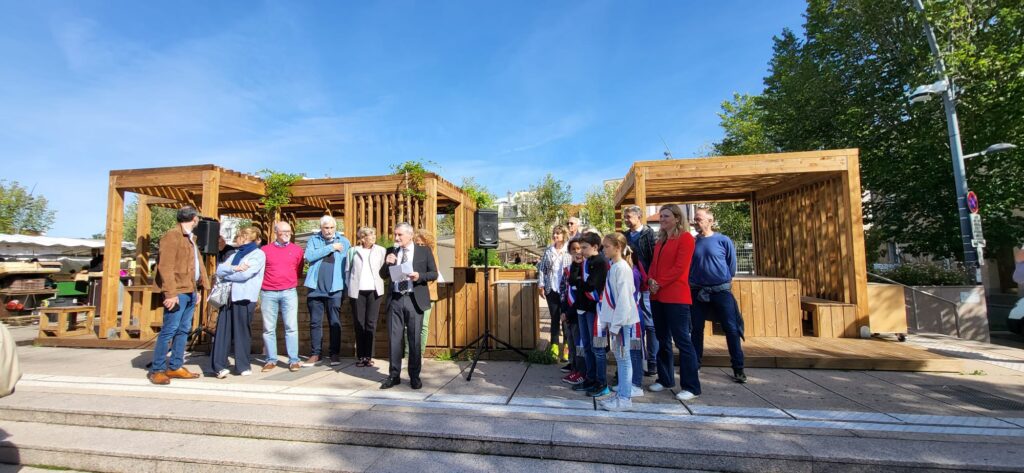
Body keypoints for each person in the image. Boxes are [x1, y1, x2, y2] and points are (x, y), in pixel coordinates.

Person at [149, 205, 209, 385]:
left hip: (189, 290)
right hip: (177, 292)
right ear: (194, 219)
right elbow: (165, 267)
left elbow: (194, 266)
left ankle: (175, 366)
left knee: (183, 330)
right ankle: (158, 369)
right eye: (197, 217)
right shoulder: (172, 236)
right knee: (169, 330)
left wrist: (197, 289)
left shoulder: (191, 238)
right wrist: (170, 293)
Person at [647, 204, 701, 401]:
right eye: (660, 216)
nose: (662, 219)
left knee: (682, 341)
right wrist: (651, 281)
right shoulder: (660, 240)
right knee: (663, 339)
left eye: (666, 216)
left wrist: (659, 282)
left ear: (677, 218)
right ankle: (665, 378)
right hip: (657, 295)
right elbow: (653, 265)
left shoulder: (685, 238)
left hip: (676, 296)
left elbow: (680, 267)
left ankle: (691, 386)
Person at [690, 208, 747, 383]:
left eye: (699, 219)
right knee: (696, 329)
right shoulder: (692, 242)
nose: (696, 222)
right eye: (695, 219)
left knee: (731, 329)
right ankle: (695, 365)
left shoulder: (723, 240)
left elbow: (731, 266)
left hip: (721, 291)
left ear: (710, 220)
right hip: (698, 292)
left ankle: (738, 368)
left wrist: (721, 281)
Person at [379, 222, 438, 390]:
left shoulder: (423, 251)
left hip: (414, 299)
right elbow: (383, 275)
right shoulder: (392, 251)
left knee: (414, 339)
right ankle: (394, 375)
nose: (396, 238)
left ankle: (414, 376)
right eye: (395, 235)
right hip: (396, 299)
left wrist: (419, 276)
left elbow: (433, 273)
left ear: (410, 235)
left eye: (400, 235)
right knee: (394, 339)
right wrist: (387, 263)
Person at [212, 226, 266, 378]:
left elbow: (246, 275)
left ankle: (242, 365)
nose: (240, 239)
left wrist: (228, 274)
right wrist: (235, 268)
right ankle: (219, 365)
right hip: (228, 296)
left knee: (242, 331)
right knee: (223, 331)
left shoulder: (258, 254)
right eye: (241, 236)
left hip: (244, 297)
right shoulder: (236, 254)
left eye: (244, 237)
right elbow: (219, 269)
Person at [597, 233, 641, 411]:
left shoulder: (622, 268)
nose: (603, 249)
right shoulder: (614, 266)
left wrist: (615, 325)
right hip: (616, 322)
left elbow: (623, 300)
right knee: (621, 358)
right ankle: (621, 394)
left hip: (622, 323)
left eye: (606, 246)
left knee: (624, 359)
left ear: (618, 248)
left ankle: (624, 398)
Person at [303, 215, 351, 366]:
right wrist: (330, 248)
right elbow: (309, 256)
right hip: (315, 288)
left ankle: (334, 354)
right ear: (321, 228)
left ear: (335, 228)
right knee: (315, 323)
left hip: (335, 288)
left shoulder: (344, 241)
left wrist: (346, 287)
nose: (329, 231)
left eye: (331, 228)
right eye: (326, 228)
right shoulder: (314, 240)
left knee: (334, 322)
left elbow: (347, 265)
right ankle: (315, 354)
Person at [260, 222, 305, 372]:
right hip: (268, 292)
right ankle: (271, 359)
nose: (286, 234)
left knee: (291, 327)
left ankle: (294, 360)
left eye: (289, 231)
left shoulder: (297, 250)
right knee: (268, 328)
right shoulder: (265, 250)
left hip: (289, 292)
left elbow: (299, 269)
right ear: (275, 232)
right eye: (283, 231)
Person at [570, 231, 610, 398]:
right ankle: (590, 377)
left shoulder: (600, 261)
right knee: (587, 346)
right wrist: (579, 281)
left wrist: (579, 284)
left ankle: (601, 382)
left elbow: (591, 285)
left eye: (584, 247)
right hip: (582, 307)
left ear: (595, 247)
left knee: (597, 348)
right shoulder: (584, 262)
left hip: (595, 309)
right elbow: (573, 281)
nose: (581, 251)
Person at [621, 205, 658, 377]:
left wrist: (650, 279)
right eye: (625, 217)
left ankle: (653, 361)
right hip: (630, 284)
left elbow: (653, 259)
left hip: (645, 285)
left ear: (638, 217)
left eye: (628, 216)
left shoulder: (649, 234)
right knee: (634, 324)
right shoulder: (625, 236)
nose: (626, 219)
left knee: (650, 323)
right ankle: (637, 360)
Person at [346, 226, 386, 367]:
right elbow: (347, 271)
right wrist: (349, 287)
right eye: (370, 235)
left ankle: (368, 356)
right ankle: (360, 356)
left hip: (374, 292)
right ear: (362, 238)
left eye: (374, 234)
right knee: (359, 323)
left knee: (371, 324)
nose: (373, 237)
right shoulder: (353, 251)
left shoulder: (381, 251)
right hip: (357, 292)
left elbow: (384, 270)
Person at [537, 225, 571, 365]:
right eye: (554, 233)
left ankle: (567, 348)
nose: (555, 236)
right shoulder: (548, 250)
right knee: (554, 318)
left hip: (565, 289)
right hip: (551, 288)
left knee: (566, 319)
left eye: (558, 233)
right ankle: (554, 346)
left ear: (564, 235)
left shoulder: (569, 250)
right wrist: (541, 285)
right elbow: (542, 269)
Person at [559, 237, 586, 386]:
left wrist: (569, 312)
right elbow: (563, 291)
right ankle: (574, 368)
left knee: (579, 342)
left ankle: (581, 371)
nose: (577, 252)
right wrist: (563, 310)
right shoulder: (568, 270)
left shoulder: (585, 269)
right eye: (574, 249)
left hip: (578, 312)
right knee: (571, 342)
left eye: (580, 248)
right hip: (567, 311)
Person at [413, 229, 438, 356]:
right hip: (414, 292)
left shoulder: (432, 255)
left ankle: (420, 355)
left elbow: (434, 274)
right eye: (418, 244)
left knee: (423, 325)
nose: (421, 247)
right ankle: (408, 355)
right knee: (409, 327)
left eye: (423, 245)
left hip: (429, 294)